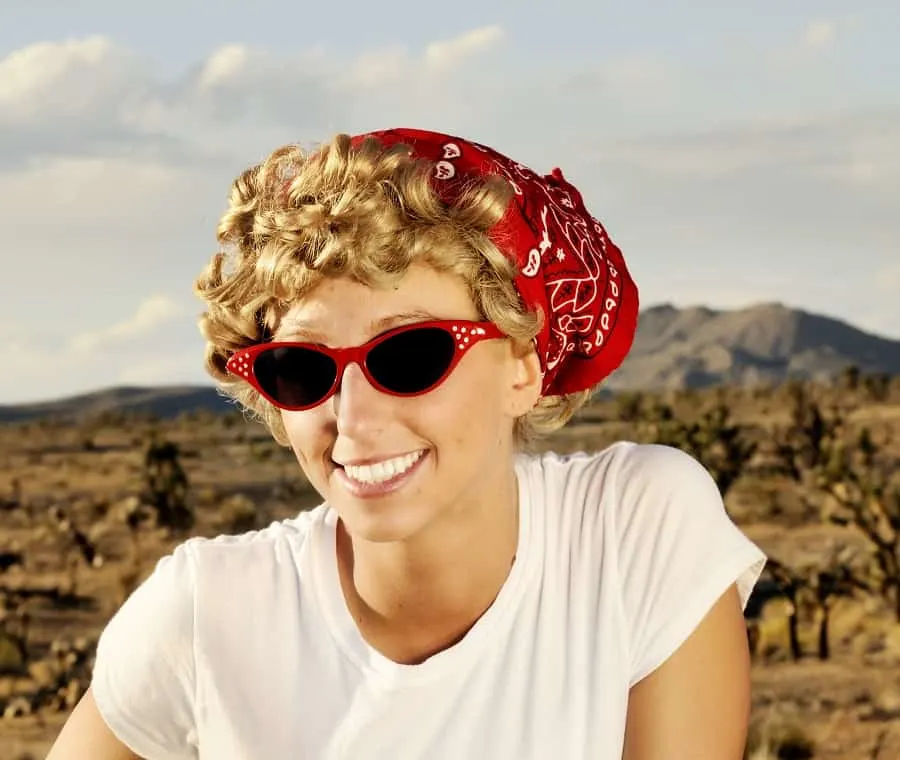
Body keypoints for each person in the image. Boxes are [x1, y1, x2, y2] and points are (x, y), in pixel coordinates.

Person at [46, 128, 767, 759]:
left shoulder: (635, 529)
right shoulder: (209, 613)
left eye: (412, 355)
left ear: (524, 365)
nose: (353, 417)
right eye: (302, 369)